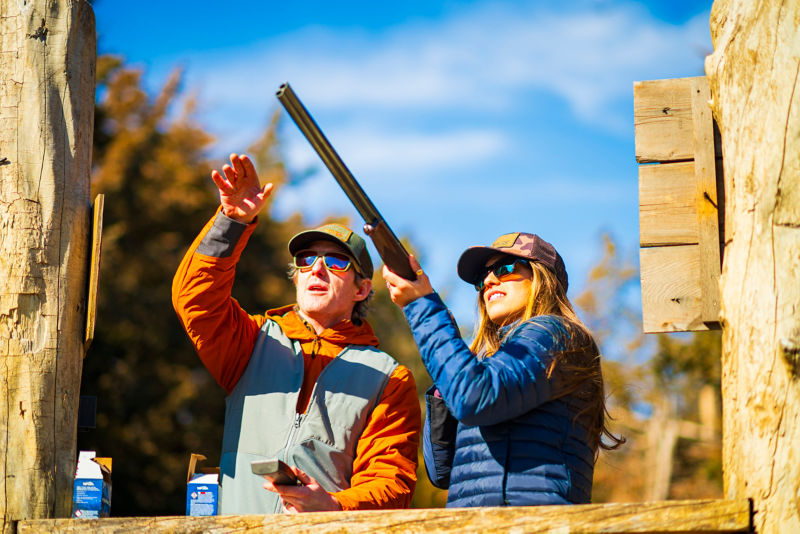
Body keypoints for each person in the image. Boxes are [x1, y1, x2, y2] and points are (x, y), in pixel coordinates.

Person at [172, 153, 420, 514]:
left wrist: (333, 505)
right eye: (306, 259)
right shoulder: (253, 340)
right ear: (297, 275)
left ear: (362, 289)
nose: (317, 268)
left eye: (336, 262)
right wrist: (233, 220)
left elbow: (390, 484)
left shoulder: (390, 379)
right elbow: (193, 297)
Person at [382, 232, 623, 507]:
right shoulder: (493, 362)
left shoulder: (556, 334)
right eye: (482, 277)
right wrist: (449, 362)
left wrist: (423, 307)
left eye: (505, 268)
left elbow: (473, 399)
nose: (488, 281)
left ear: (542, 278)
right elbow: (442, 471)